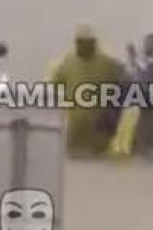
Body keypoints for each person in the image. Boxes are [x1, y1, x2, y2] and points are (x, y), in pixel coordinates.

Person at [48, 24, 126, 158]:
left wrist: (112, 118)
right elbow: (52, 90)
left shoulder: (109, 63)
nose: (82, 46)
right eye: (80, 43)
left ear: (94, 43)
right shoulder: (67, 62)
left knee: (98, 164)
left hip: (99, 129)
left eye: (86, 43)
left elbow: (124, 87)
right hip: (73, 126)